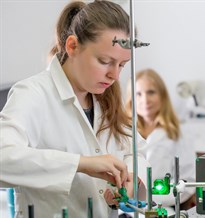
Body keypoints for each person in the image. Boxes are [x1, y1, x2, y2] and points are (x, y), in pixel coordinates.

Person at [0, 1, 149, 217]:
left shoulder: (106, 99)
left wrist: (131, 179)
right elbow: (3, 157)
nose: (115, 76)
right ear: (72, 46)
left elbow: (137, 150)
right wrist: (81, 164)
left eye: (122, 65)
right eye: (105, 61)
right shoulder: (33, 94)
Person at [125, 69, 197, 212]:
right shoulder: (123, 131)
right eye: (138, 94)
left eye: (151, 92)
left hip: (161, 207)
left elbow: (188, 181)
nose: (145, 100)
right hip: (126, 207)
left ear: (162, 96)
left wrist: (148, 198)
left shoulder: (177, 133)